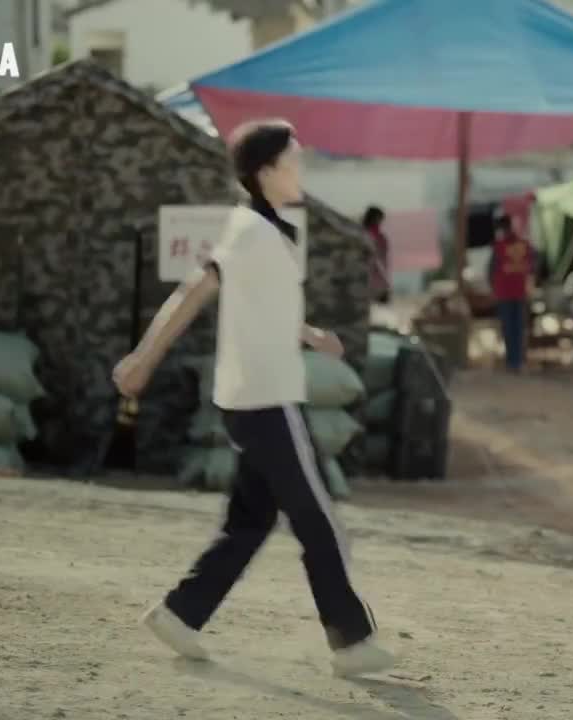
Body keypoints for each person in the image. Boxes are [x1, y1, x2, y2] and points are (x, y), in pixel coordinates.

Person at [111, 119, 395, 678]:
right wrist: (144, 358)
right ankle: (352, 641)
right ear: (266, 171)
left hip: (252, 398)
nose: (301, 168)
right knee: (318, 520)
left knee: (250, 520)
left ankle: (180, 614)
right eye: (294, 159)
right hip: (267, 400)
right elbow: (195, 288)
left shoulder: (267, 230)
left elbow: (262, 304)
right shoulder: (251, 230)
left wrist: (309, 334)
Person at [487, 212, 534, 372]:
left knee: (508, 328)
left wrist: (493, 287)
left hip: (505, 292)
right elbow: (533, 266)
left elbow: (492, 270)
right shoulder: (524, 244)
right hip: (520, 291)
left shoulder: (499, 246)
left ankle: (512, 361)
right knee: (519, 328)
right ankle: (517, 361)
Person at [362, 205, 391, 304]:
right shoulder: (367, 234)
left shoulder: (375, 235)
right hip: (371, 275)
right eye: (379, 218)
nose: (380, 221)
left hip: (376, 275)